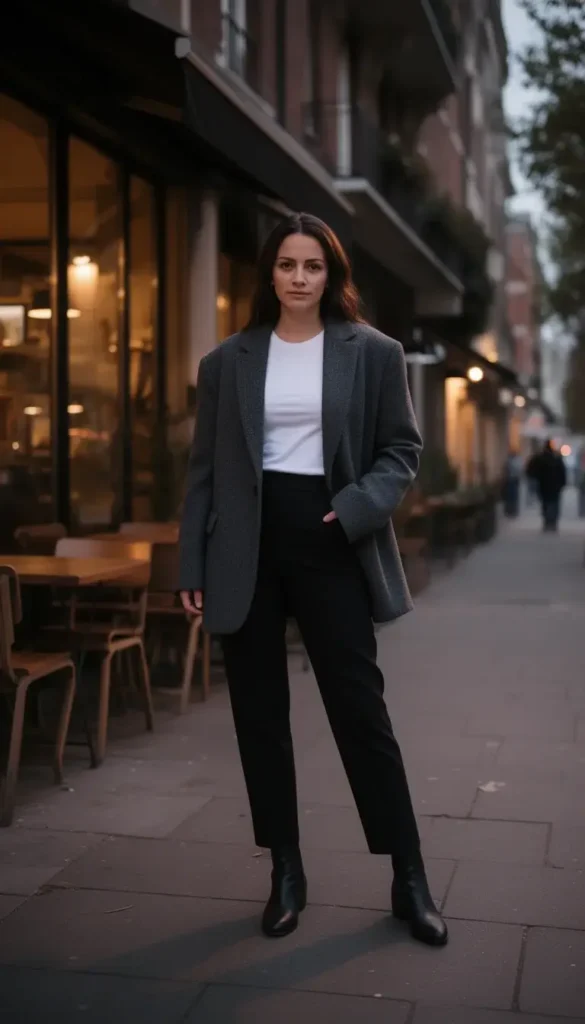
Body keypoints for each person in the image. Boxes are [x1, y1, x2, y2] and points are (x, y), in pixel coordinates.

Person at [179, 212, 447, 948]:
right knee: (259, 718)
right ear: (269, 273)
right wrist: (191, 563)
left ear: (331, 276)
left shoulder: (373, 352)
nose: (299, 277)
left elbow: (401, 449)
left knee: (360, 711)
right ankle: (286, 873)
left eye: (313, 266)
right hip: (246, 547)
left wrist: (354, 508)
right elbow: (204, 472)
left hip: (332, 538)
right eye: (287, 264)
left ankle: (409, 876)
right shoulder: (227, 360)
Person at [526, 440, 567, 532]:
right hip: (555, 486)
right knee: (554, 504)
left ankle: (547, 522)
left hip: (544, 485)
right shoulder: (556, 458)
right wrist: (562, 484)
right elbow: (562, 472)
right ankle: (552, 522)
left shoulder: (540, 458)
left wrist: (536, 477)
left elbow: (531, 470)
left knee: (546, 503)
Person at [502, 449, 522, 517]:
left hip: (513, 480)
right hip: (511, 480)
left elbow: (518, 470)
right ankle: (511, 510)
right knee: (512, 496)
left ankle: (512, 510)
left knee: (513, 496)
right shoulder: (513, 461)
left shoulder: (513, 461)